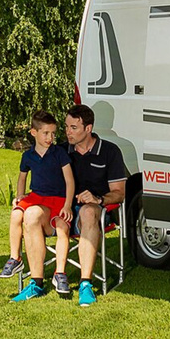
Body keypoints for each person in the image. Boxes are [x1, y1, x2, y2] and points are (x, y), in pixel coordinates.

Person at [57, 104, 131, 306]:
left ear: (88, 128)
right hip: (62, 211)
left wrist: (98, 199)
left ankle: (85, 283)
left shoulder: (109, 151)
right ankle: (35, 282)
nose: (68, 132)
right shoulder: (61, 151)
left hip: (96, 212)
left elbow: (119, 193)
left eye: (74, 128)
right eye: (66, 127)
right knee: (31, 213)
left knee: (88, 212)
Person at [0, 111, 75, 301]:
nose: (50, 137)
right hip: (36, 197)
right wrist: (19, 196)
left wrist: (67, 205)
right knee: (15, 214)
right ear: (34, 132)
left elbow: (69, 181)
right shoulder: (28, 156)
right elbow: (22, 178)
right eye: (46, 133)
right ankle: (15, 258)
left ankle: (60, 273)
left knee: (62, 227)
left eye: (53, 133)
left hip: (57, 199)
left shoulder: (59, 153)